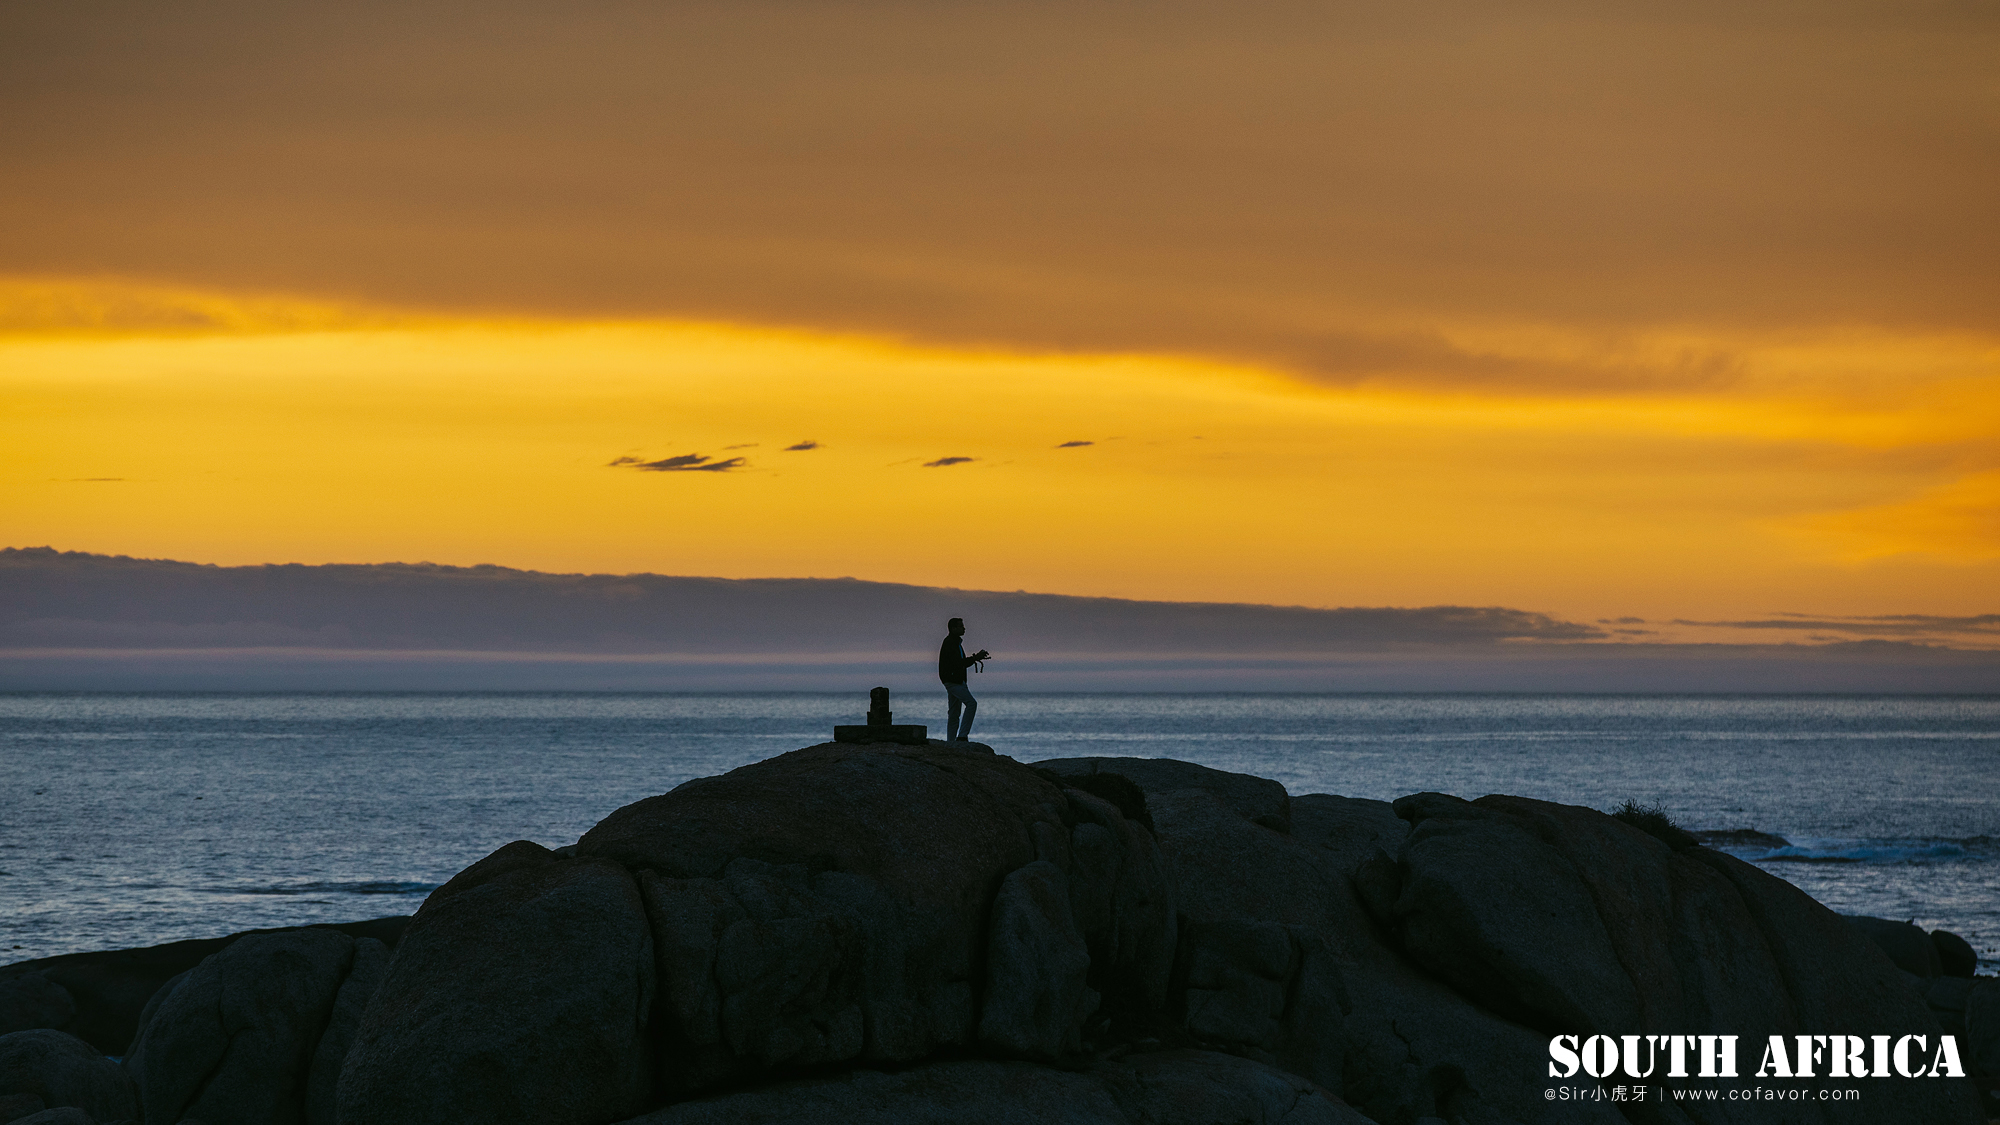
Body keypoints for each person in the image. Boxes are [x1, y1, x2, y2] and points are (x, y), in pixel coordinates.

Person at [937, 617, 990, 742]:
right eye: (961, 626)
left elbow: (960, 663)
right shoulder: (950, 643)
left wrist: (975, 658)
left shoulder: (954, 643)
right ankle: (962, 736)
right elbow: (959, 663)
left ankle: (950, 741)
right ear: (953, 628)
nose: (964, 628)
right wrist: (976, 657)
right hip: (953, 681)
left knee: (954, 713)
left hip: (954, 681)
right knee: (971, 704)